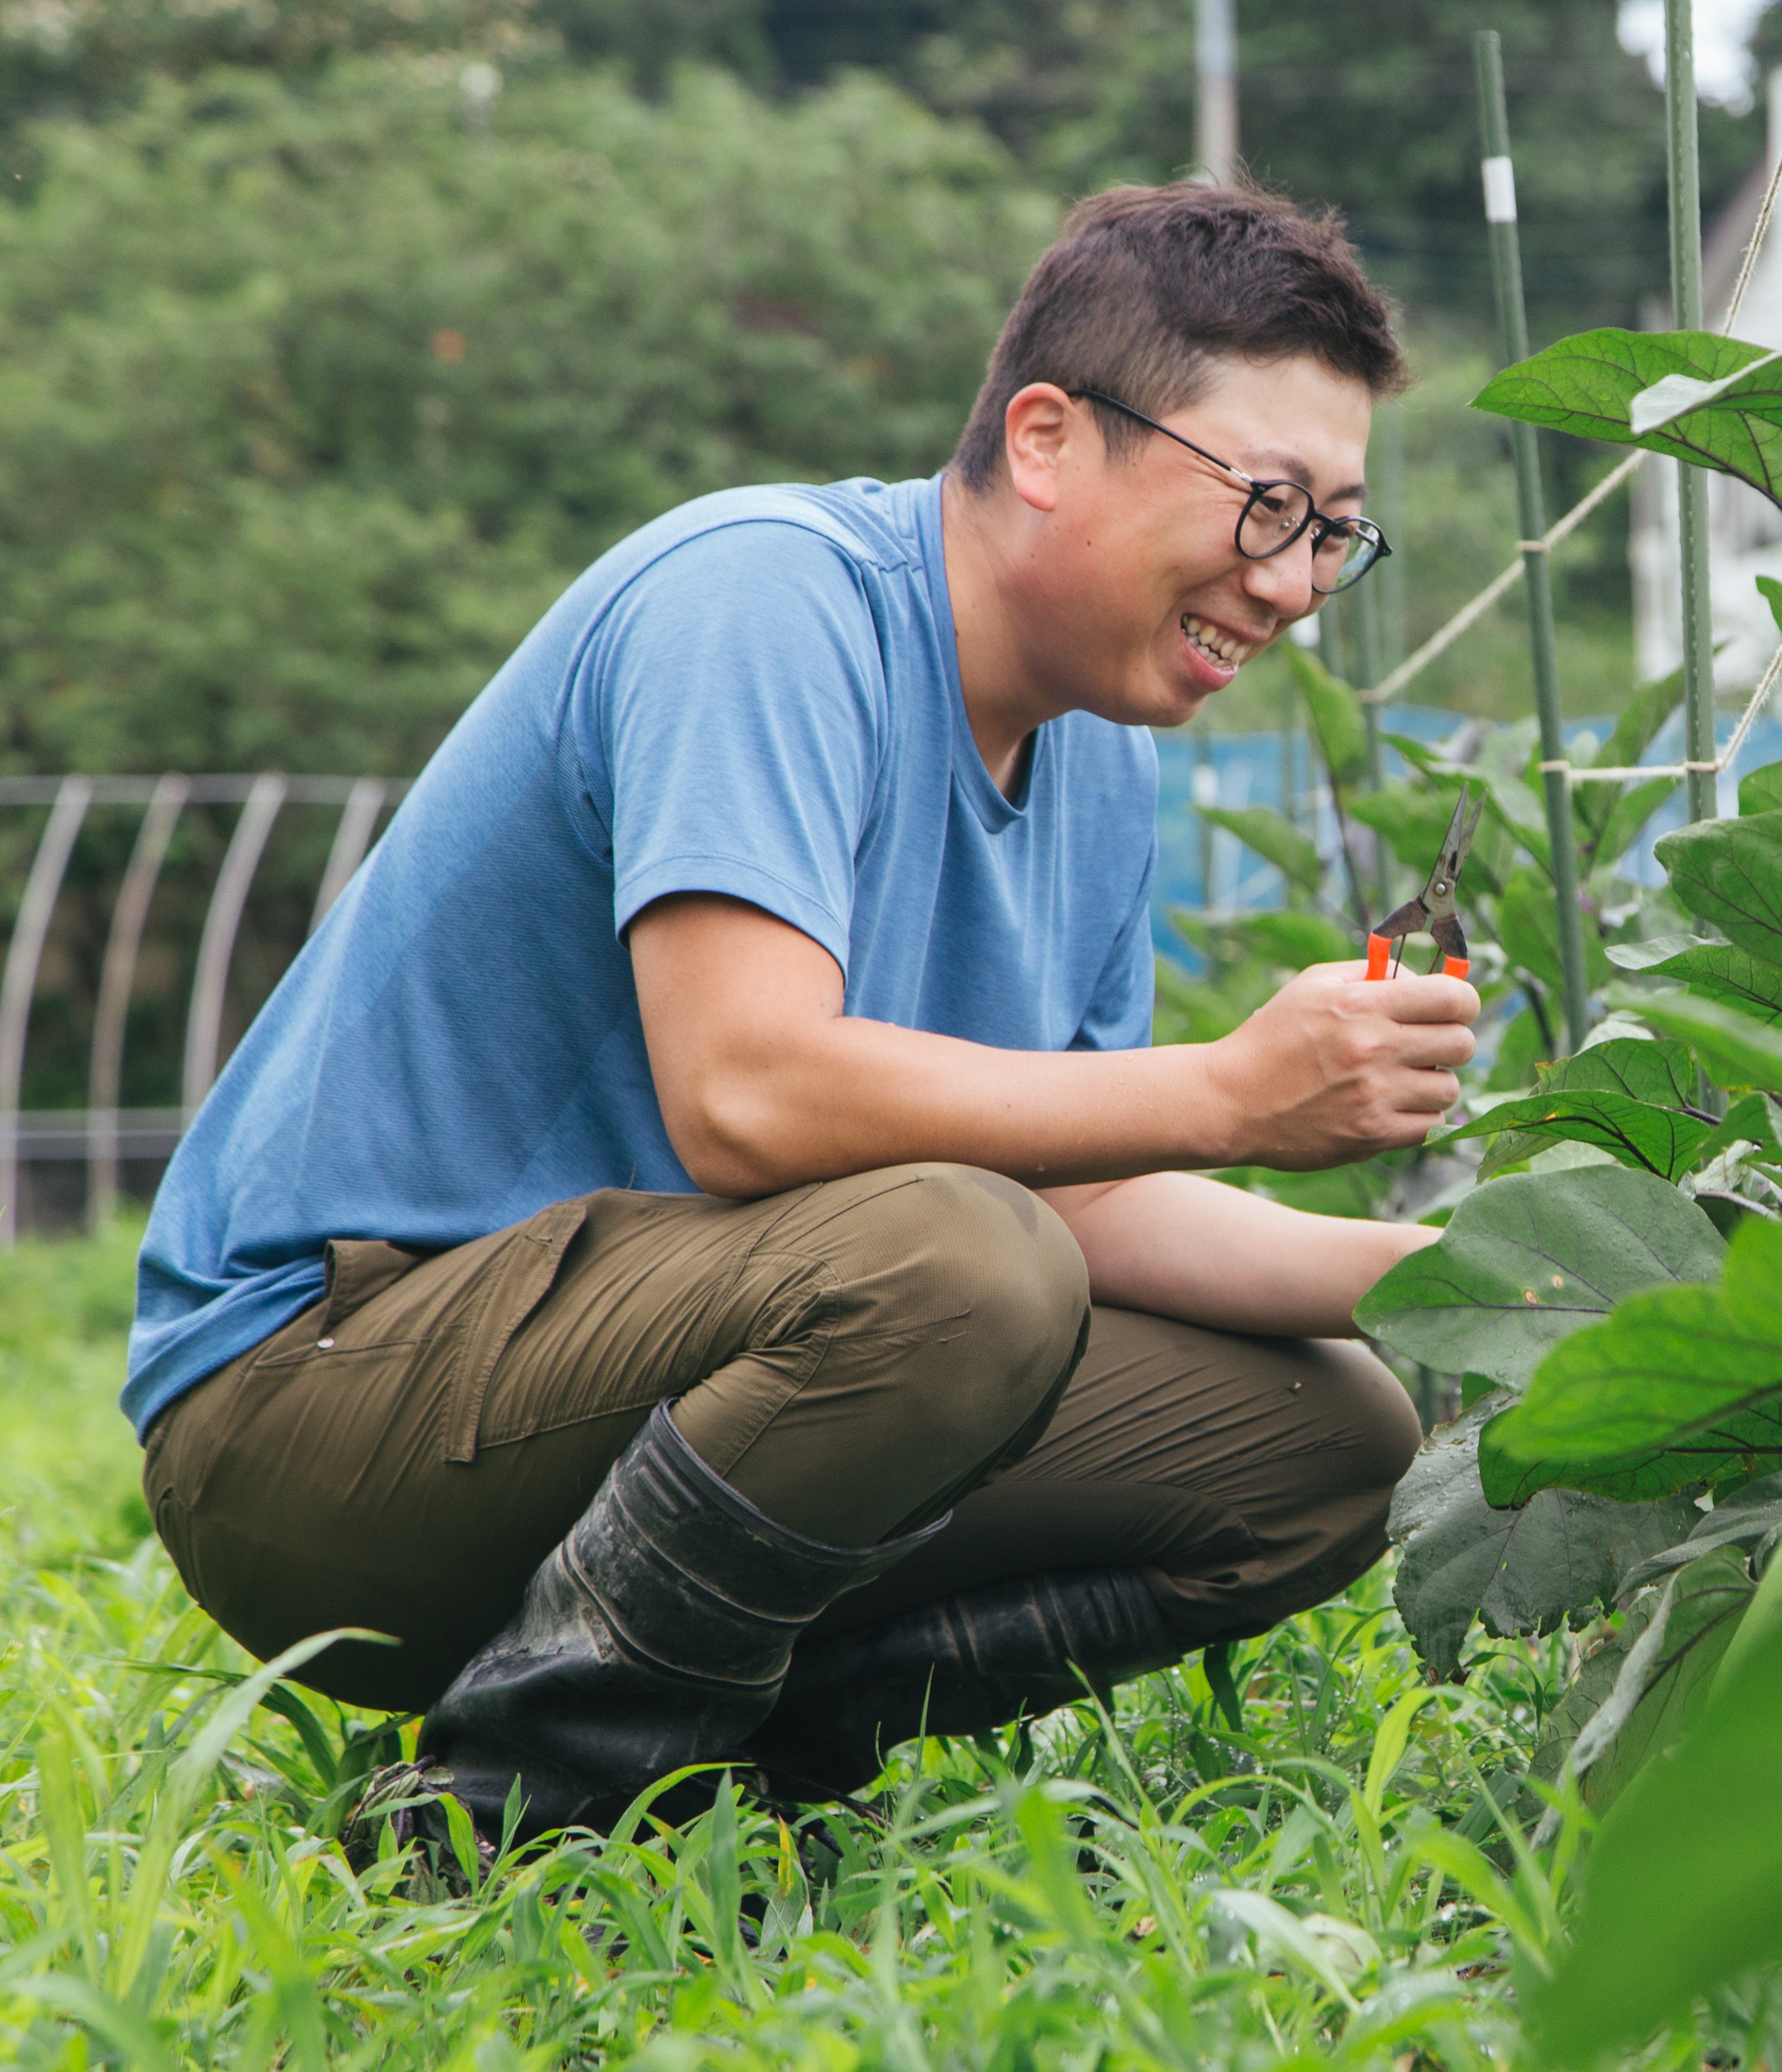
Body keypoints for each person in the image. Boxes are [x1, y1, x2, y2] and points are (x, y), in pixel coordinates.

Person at [125, 183, 1480, 1871]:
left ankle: (729, 1776)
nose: (1293, 584)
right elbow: (747, 1096)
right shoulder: (766, 602)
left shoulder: (1107, 766)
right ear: (1047, 439)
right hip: (314, 1416)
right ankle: (510, 1813)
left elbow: (1079, 1196)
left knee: (1333, 1435)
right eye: (1264, 505)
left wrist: (1490, 1278)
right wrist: (1225, 1090)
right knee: (962, 1261)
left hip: (648, 1397)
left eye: (1335, 531)